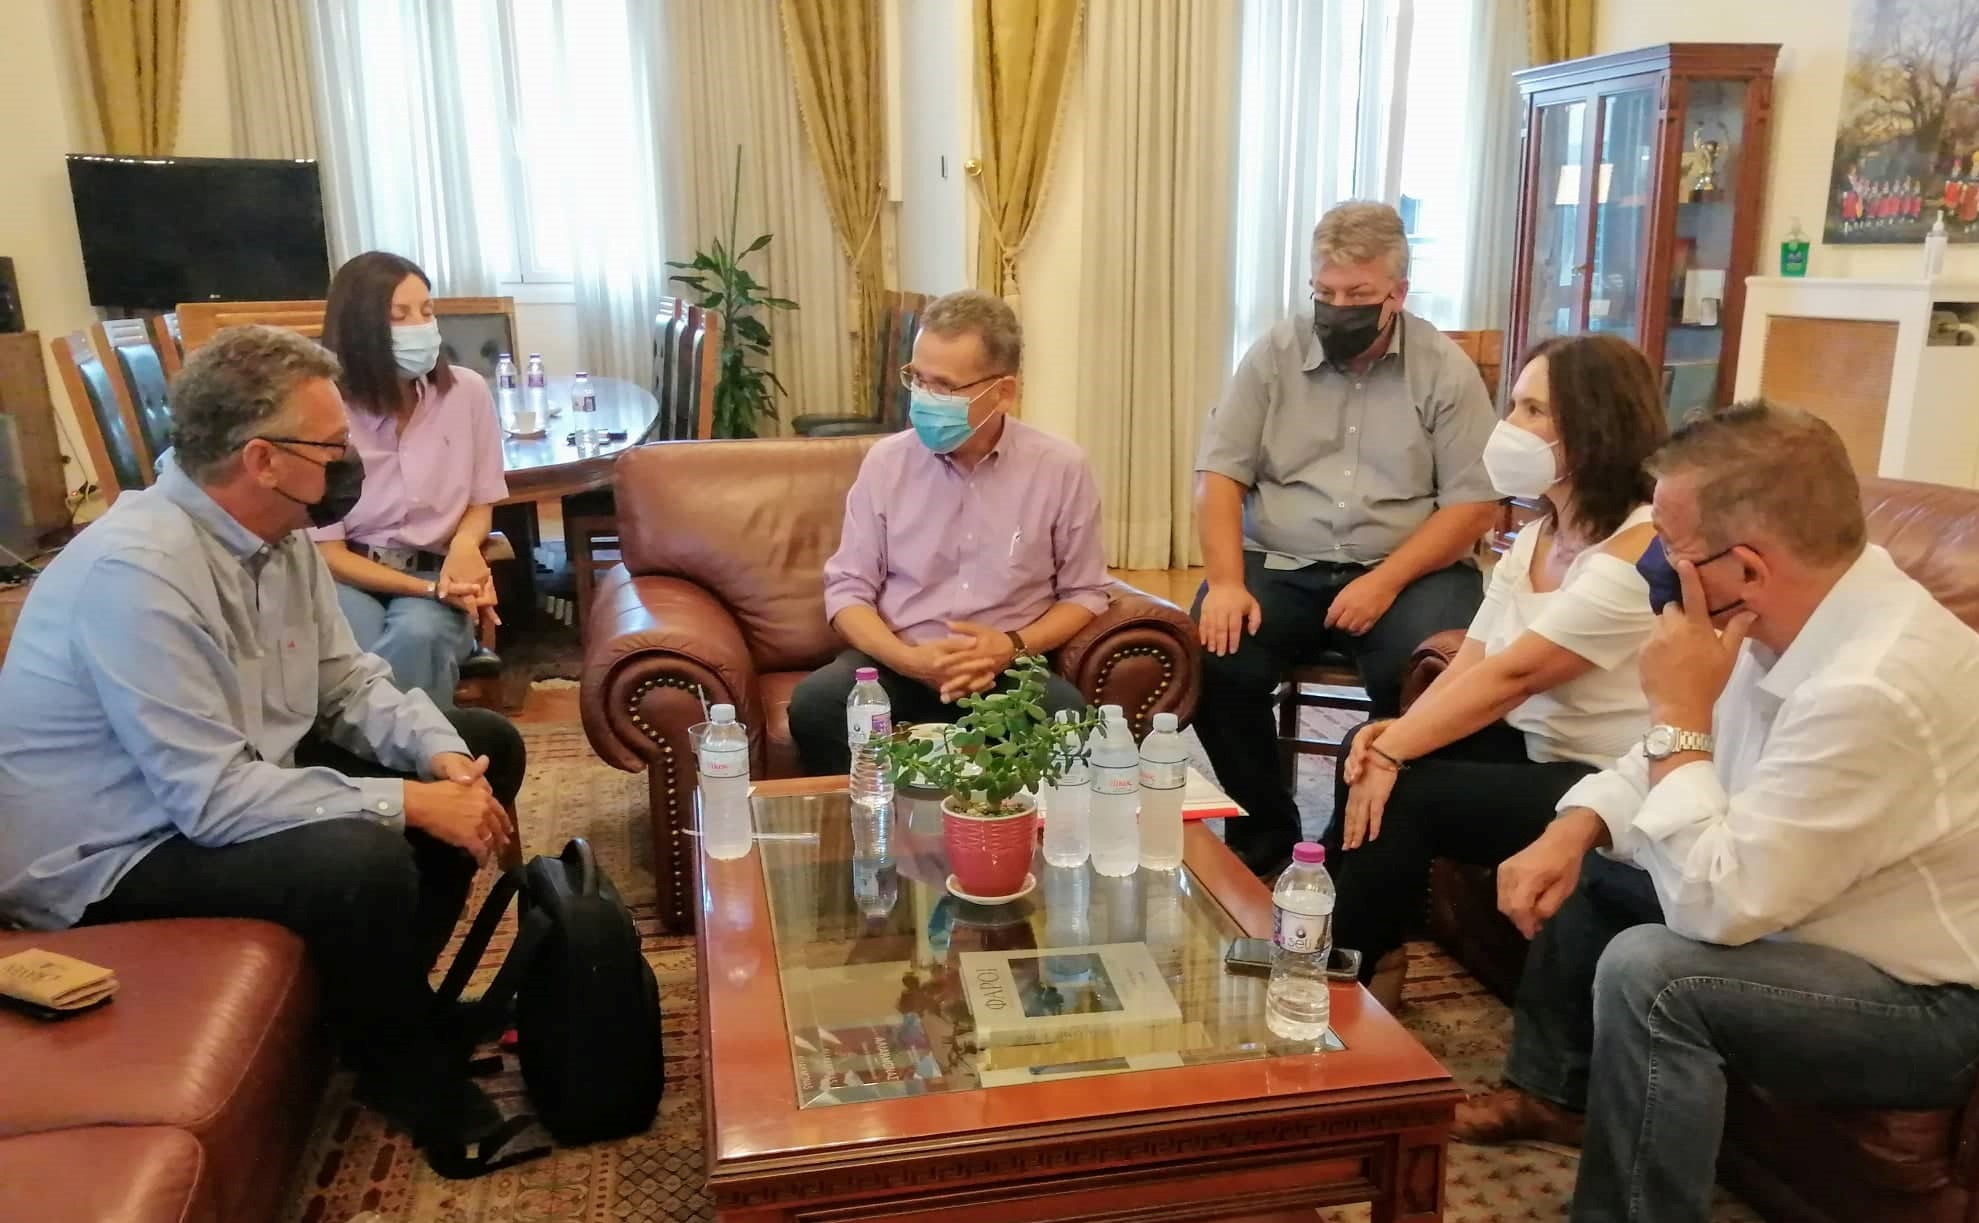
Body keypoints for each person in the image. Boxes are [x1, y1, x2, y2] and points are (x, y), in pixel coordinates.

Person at [0, 326, 524, 1152]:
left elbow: (344, 683)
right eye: (334, 446)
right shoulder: (138, 572)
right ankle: (400, 1065)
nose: (351, 461)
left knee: (485, 739)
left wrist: (441, 758)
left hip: (213, 783)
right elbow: (209, 800)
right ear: (263, 459)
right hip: (112, 850)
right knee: (363, 854)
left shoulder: (278, 535)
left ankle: (384, 1005)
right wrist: (409, 802)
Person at [1458, 402, 1979, 1223]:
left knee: (1656, 975)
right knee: (1599, 849)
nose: (1654, 562)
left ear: (1748, 567)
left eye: (1671, 545)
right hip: (1803, 907)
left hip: (1918, 1001)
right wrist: (1574, 826)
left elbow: (1718, 906)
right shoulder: (1781, 612)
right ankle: (1554, 1092)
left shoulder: (1871, 687)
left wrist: (1679, 711)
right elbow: (1657, 764)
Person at [1325, 335, 1666, 1008]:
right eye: (1513, 405)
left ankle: (1337, 976)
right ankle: (1358, 947)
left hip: (1605, 778)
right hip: (1533, 746)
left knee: (1407, 787)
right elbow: (1475, 658)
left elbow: (1515, 676)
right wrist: (1390, 737)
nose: (1509, 426)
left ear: (1594, 425)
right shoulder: (1537, 535)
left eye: (1533, 410)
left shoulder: (1642, 552)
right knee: (1361, 750)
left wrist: (1397, 747)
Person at [1194, 200, 1501, 875]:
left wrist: (1384, 581)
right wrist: (1224, 582)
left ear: (1397, 293)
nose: (1337, 310)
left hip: (1409, 566)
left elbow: (1474, 504)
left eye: (1357, 296)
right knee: (1218, 657)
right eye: (1324, 293)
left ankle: (1357, 843)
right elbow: (1218, 475)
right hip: (1283, 558)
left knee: (1427, 672)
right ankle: (1265, 828)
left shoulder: (1442, 368)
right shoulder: (1272, 354)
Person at [790, 290, 1108, 774]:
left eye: (943, 386)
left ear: (1002, 392)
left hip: (1004, 669)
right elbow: (848, 590)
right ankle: (885, 817)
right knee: (816, 706)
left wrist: (1011, 646)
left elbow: (1084, 593)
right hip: (899, 662)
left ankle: (999, 823)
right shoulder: (887, 463)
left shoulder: (1060, 468)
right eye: (917, 378)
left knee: (1065, 719)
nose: (922, 398)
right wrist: (908, 659)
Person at [312, 251, 508, 704]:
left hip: (436, 566)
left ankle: (388, 746)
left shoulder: (467, 393)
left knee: (418, 636)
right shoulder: (324, 410)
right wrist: (430, 590)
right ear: (358, 329)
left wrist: (464, 547)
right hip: (350, 575)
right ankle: (408, 742)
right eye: (398, 316)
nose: (420, 327)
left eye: (426, 311)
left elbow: (481, 502)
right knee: (355, 643)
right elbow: (328, 553)